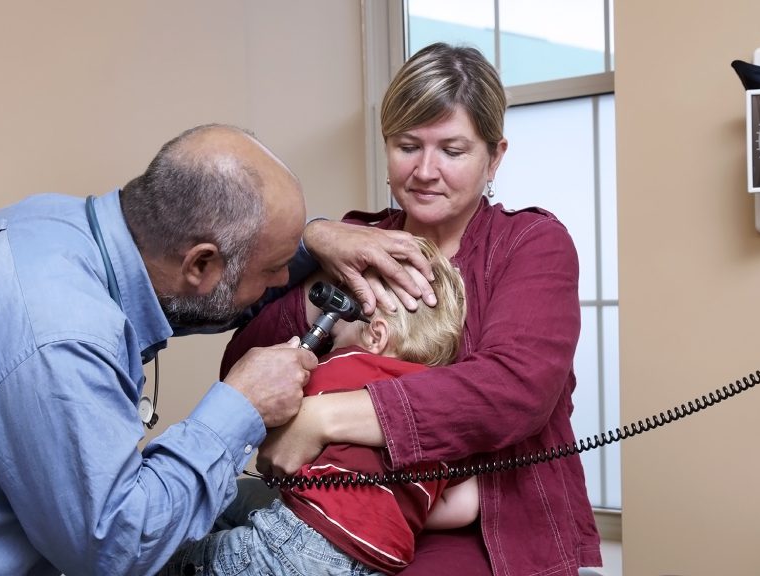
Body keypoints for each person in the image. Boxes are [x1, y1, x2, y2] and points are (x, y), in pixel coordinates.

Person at [0, 124, 435, 576]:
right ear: (201, 263)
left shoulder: (59, 226)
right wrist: (238, 406)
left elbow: (193, 298)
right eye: (275, 269)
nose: (284, 285)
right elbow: (112, 549)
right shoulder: (63, 332)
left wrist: (317, 239)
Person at [218, 43, 603, 575]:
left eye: (453, 149)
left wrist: (322, 417)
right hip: (334, 518)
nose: (425, 171)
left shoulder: (531, 243)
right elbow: (241, 368)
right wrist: (321, 260)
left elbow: (515, 389)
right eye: (407, 146)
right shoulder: (355, 241)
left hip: (491, 528)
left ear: (495, 156)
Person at [160, 237, 477, 576]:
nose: (331, 331)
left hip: (299, 542)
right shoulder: (440, 407)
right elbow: (465, 505)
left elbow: (275, 434)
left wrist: (289, 364)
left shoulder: (347, 364)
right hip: (375, 564)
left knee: (173, 561)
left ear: (375, 335)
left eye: (344, 318)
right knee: (240, 496)